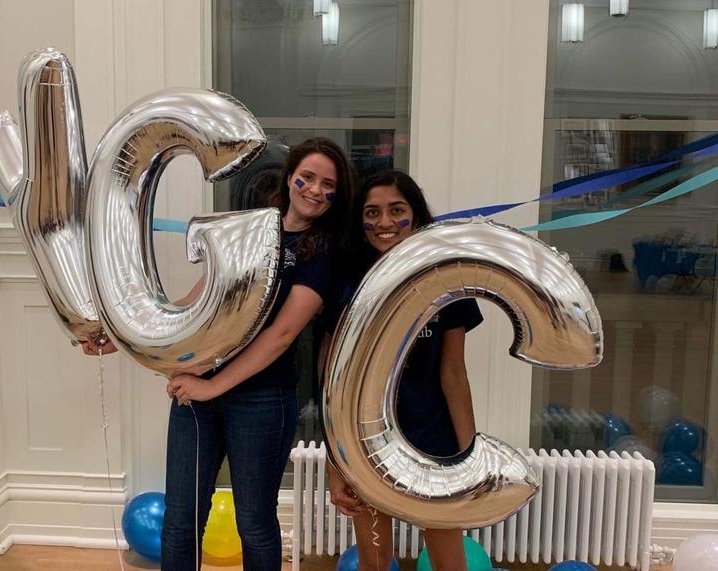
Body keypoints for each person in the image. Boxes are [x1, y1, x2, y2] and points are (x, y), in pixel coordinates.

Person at [83, 137, 354, 570]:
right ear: (289, 180)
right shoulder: (249, 230)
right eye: (307, 178)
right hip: (199, 391)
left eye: (328, 185)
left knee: (254, 523)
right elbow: (199, 302)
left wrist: (212, 386)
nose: (315, 190)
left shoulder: (323, 252)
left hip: (261, 400)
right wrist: (125, 337)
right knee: (180, 519)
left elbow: (281, 335)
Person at [325, 170, 483, 571]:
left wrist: (471, 459)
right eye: (372, 212)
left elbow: (454, 374)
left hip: (435, 440)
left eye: (396, 210)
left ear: (415, 216)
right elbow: (334, 385)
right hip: (366, 445)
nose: (383, 222)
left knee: (450, 561)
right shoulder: (349, 284)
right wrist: (335, 464)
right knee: (375, 563)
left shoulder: (446, 278)